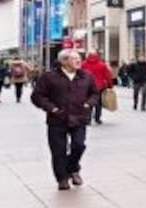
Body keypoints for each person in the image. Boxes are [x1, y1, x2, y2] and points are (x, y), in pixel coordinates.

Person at [30, 49, 100, 191]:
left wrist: (89, 103)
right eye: (75, 59)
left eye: (79, 58)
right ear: (64, 61)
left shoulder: (86, 76)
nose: (79, 61)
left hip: (79, 117)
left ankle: (73, 169)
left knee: (78, 145)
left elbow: (95, 93)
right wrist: (52, 109)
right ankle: (62, 178)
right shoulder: (49, 77)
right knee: (58, 151)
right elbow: (37, 96)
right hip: (57, 119)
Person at [80, 52, 113, 125]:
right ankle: (97, 118)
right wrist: (110, 85)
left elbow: (80, 74)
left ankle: (88, 119)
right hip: (99, 86)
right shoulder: (102, 65)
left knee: (88, 102)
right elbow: (107, 76)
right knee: (98, 103)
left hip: (86, 86)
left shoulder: (83, 64)